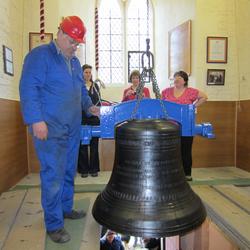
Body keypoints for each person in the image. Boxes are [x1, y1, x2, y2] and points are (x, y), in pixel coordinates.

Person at [19, 16, 99, 244]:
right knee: (53, 175)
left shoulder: (74, 63)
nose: (75, 47)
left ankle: (65, 209)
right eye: (72, 42)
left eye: (78, 44)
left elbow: (80, 91)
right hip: (50, 127)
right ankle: (54, 225)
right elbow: (28, 88)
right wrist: (36, 120)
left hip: (72, 126)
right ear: (61, 34)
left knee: (67, 172)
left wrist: (89, 106)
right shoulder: (40, 56)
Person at [161, 70, 207, 181]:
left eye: (180, 78)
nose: (176, 79)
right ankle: (171, 173)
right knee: (170, 150)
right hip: (170, 126)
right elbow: (161, 105)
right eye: (175, 77)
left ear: (185, 81)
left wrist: (193, 107)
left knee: (185, 150)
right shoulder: (166, 91)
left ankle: (187, 174)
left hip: (186, 125)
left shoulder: (191, 91)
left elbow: (204, 97)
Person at [78, 64, 101, 178]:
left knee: (94, 144)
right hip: (81, 118)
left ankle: (94, 169)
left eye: (89, 72)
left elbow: (98, 102)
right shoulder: (78, 85)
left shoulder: (95, 86)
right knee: (82, 145)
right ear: (82, 73)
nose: (88, 74)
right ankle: (83, 170)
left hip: (94, 119)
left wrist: (95, 111)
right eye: (86, 72)